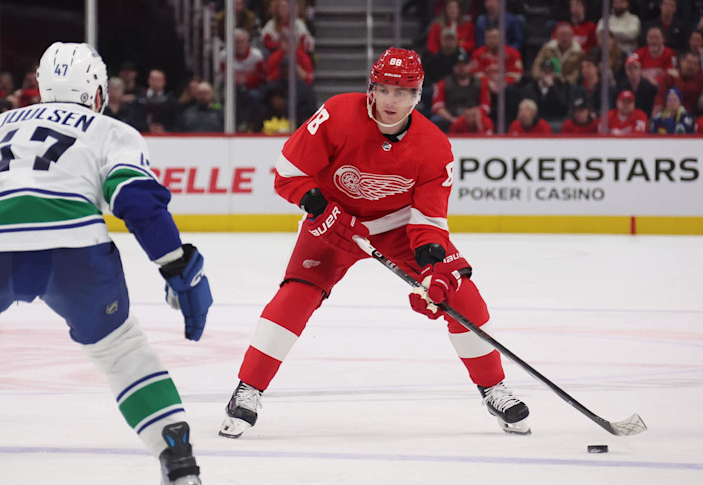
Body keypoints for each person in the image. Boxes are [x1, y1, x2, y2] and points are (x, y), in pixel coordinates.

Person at [0, 42, 211, 485]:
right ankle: (177, 459)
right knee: (121, 351)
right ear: (96, 91)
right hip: (70, 247)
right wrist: (175, 264)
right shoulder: (111, 128)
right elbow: (136, 201)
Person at [218, 47, 531, 440]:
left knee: (461, 296)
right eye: (383, 89)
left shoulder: (435, 148)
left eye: (402, 92)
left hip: (397, 229)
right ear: (371, 88)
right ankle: (249, 388)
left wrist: (434, 269)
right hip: (333, 224)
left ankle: (493, 389)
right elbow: (288, 173)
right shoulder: (337, 114)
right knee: (296, 295)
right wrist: (319, 207)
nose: (390, 100)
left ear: (419, 96)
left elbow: (429, 223)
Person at [432, 49, 492, 131]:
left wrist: (474, 114)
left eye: (464, 65)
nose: (462, 68)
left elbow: (485, 105)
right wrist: (451, 119)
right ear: (453, 67)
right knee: (437, 120)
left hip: (474, 116)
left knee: (487, 122)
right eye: (458, 65)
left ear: (470, 66)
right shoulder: (444, 83)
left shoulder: (480, 83)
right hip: (451, 116)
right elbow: (437, 106)